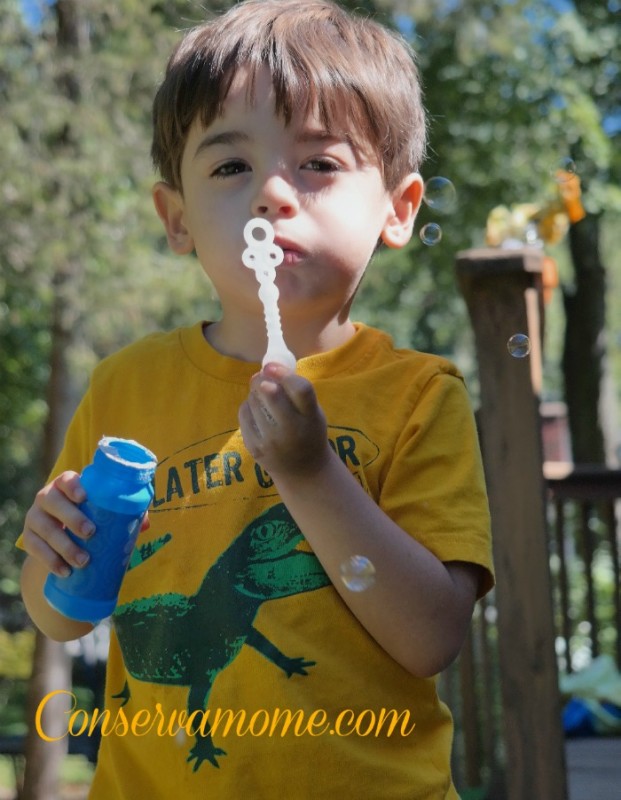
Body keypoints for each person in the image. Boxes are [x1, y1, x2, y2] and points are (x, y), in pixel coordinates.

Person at [18, 1, 494, 796]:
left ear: (399, 209)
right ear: (176, 219)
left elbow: (430, 638)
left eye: (318, 163)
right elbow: (62, 617)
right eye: (230, 167)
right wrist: (55, 554)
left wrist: (310, 473)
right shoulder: (125, 387)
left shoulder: (417, 396)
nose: (273, 193)